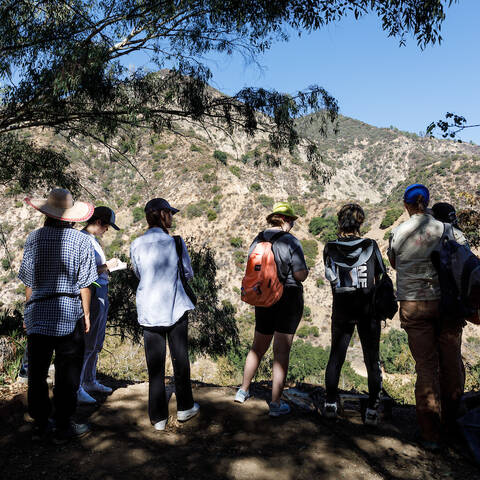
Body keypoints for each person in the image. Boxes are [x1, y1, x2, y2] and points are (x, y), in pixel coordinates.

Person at [388, 184, 465, 450]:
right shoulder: (447, 230)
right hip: (447, 305)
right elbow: (465, 259)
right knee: (452, 362)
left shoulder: (398, 233)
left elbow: (395, 263)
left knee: (426, 366)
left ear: (406, 206)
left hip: (413, 303)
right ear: (427, 202)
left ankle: (430, 433)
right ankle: (455, 426)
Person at [19, 188, 98, 443]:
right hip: (69, 314)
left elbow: (29, 281)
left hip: (39, 314)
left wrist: (28, 310)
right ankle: (64, 425)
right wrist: (86, 313)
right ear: (71, 216)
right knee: (67, 375)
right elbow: (85, 283)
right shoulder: (82, 241)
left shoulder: (34, 238)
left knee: (37, 374)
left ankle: (41, 425)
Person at [130, 198, 199, 431]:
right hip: (175, 307)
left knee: (155, 367)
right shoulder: (176, 243)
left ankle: (158, 418)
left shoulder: (136, 244)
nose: (172, 217)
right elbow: (187, 273)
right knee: (181, 361)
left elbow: (138, 272)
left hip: (148, 311)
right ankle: (185, 408)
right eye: (170, 213)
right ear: (161, 214)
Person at [235, 202, 308, 416]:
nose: (293, 223)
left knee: (257, 347)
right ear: (285, 220)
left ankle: (242, 390)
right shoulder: (291, 242)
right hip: (288, 298)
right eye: (292, 220)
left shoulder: (258, 239)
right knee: (281, 351)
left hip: (264, 297)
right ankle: (275, 404)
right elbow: (299, 275)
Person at [323, 203, 384, 425]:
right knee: (371, 359)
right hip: (368, 309)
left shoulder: (330, 247)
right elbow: (379, 276)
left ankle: (330, 403)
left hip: (341, 308)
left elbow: (331, 277)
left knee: (336, 357)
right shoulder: (371, 245)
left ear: (340, 222)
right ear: (360, 222)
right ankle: (371, 410)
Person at [77, 206, 120, 404]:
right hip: (92, 294)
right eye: (107, 226)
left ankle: (89, 379)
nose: (107, 230)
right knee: (88, 342)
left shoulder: (92, 240)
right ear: (100, 222)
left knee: (96, 341)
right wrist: (108, 266)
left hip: (100, 292)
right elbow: (84, 273)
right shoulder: (83, 240)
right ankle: (78, 385)